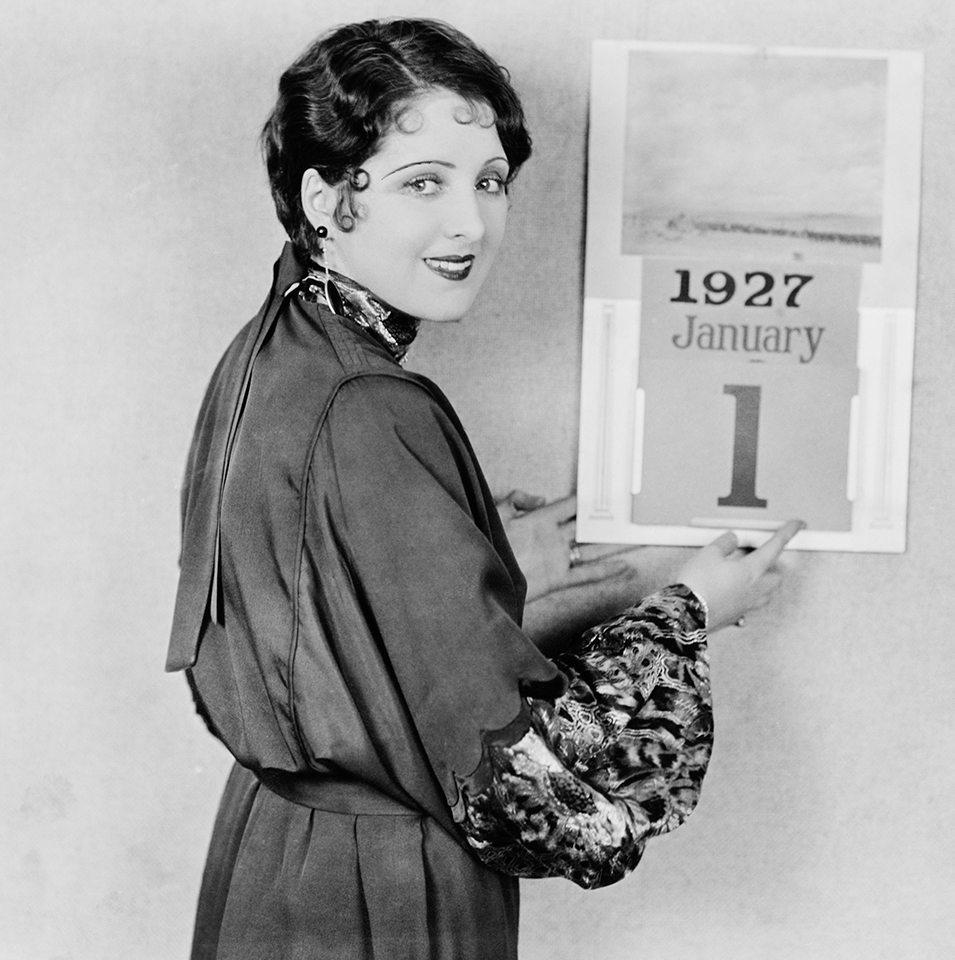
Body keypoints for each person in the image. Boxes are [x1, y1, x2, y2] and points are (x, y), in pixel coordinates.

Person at [167, 18, 801, 960]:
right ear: (326, 196)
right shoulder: (374, 408)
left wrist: (494, 577)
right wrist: (688, 610)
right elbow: (531, 792)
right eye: (424, 181)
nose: (471, 222)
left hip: (278, 857)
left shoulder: (277, 346)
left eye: (490, 181)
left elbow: (335, 648)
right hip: (380, 887)